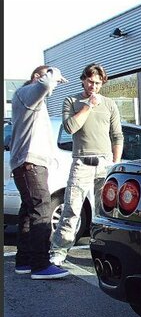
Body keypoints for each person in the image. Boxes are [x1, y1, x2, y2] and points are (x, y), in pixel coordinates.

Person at [50, 63, 124, 265]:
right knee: (72, 209)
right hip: (81, 162)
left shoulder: (109, 104)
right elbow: (71, 127)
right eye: (90, 81)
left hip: (104, 163)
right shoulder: (71, 101)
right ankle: (58, 251)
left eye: (98, 83)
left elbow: (117, 136)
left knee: (106, 211)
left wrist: (114, 164)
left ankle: (103, 250)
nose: (94, 86)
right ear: (83, 79)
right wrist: (88, 105)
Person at [9, 65, 70, 280]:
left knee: (28, 212)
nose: (51, 88)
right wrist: (53, 72)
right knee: (41, 211)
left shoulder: (27, 99)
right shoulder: (27, 92)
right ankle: (40, 265)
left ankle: (24, 261)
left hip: (28, 164)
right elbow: (44, 84)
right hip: (30, 164)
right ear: (37, 77)